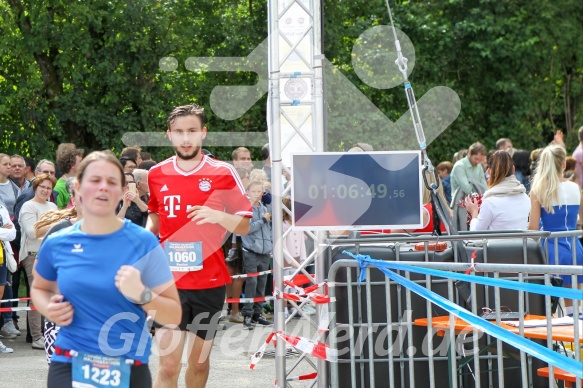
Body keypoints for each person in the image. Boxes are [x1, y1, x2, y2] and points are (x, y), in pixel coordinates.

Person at [31, 151, 181, 388]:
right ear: (78, 187)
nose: (103, 187)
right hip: (69, 363)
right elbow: (39, 288)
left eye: (111, 182)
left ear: (122, 190)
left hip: (128, 366)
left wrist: (142, 294)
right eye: (95, 180)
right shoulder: (58, 242)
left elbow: (173, 315)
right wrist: (49, 307)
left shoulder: (144, 242)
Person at [147, 104, 251, 388]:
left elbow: (244, 225)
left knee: (199, 363)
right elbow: (154, 216)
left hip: (209, 282)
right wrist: (144, 240)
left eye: (192, 131)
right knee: (168, 365)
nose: (186, 138)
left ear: (203, 133)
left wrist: (218, 216)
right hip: (168, 283)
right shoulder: (157, 173)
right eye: (179, 132)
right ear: (169, 135)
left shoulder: (223, 172)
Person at [528, 144, 583, 317]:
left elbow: (533, 229)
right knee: (574, 304)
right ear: (563, 164)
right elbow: (579, 220)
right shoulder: (575, 188)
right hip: (575, 247)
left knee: (549, 306)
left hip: (551, 249)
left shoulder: (539, 190)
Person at [33, 177, 82, 364]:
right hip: (61, 318)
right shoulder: (59, 230)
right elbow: (39, 271)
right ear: (73, 198)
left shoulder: (108, 232)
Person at [18, 173, 58, 349]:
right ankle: (36, 336)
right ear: (36, 187)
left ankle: (50, 332)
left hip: (51, 255)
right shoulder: (28, 206)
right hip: (32, 254)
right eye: (43, 186)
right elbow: (32, 232)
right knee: (37, 296)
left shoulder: (53, 206)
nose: (46, 190)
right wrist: (56, 225)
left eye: (49, 188)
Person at [464, 150, 530, 231]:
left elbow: (476, 233)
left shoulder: (490, 202)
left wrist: (474, 212)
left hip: (495, 243)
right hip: (522, 243)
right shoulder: (526, 198)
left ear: (489, 171)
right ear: (513, 170)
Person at [240, 180, 273, 329]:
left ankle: (258, 313)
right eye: (253, 191)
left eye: (259, 191)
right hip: (251, 251)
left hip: (265, 251)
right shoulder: (245, 209)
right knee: (252, 282)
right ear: (247, 192)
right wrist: (263, 220)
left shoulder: (265, 208)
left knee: (262, 283)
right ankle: (247, 314)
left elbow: (269, 228)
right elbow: (247, 228)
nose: (256, 194)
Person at [0, 201, 16, 353]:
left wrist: (5, 231)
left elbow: (12, 234)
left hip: (1, 259)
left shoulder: (1, 207)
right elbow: (5, 232)